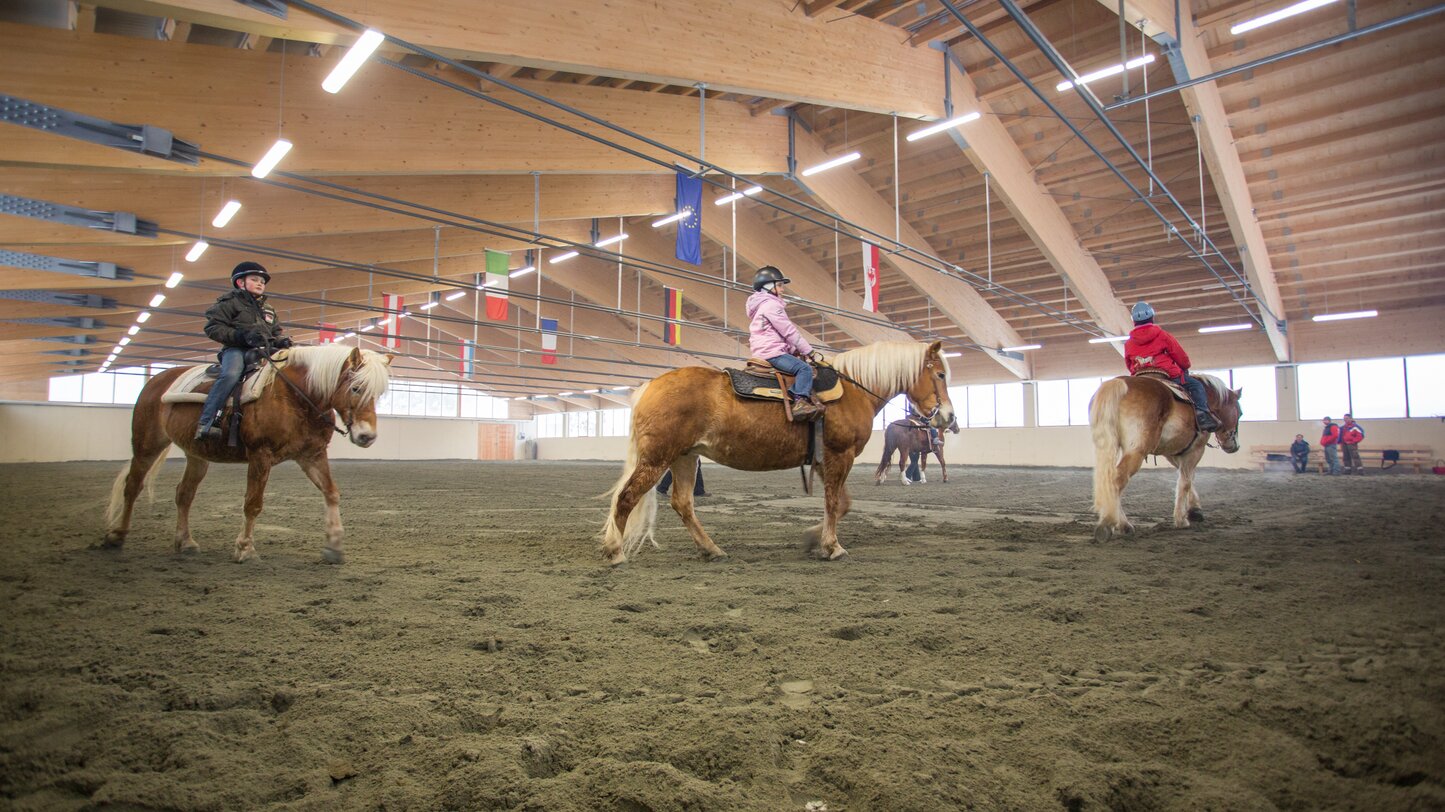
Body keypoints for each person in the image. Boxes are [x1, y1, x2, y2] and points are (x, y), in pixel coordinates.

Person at [194, 261, 292, 441]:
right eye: (255, 279)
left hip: (264, 351)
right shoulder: (229, 302)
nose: (260, 283)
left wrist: (282, 341)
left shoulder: (268, 309)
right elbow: (213, 328)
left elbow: (275, 333)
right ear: (240, 283)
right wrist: (242, 336)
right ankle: (206, 421)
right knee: (231, 375)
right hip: (236, 349)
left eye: (262, 281)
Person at [1122, 302, 1220, 431]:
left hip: (1140, 374)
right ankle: (1201, 414)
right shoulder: (1162, 335)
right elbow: (1178, 354)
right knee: (1196, 385)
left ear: (1134, 321)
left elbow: (1129, 364)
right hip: (1166, 373)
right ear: (1152, 317)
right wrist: (1185, 366)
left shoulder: (1129, 343)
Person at [747, 265, 822, 421]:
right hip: (772, 353)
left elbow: (777, 334)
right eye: (779, 285)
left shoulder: (761, 306)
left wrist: (793, 349)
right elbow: (788, 331)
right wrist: (809, 352)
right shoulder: (772, 305)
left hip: (764, 350)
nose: (782, 289)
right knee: (805, 369)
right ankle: (800, 402)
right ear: (768, 286)